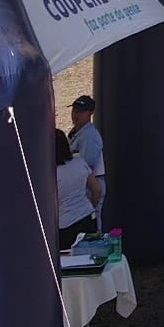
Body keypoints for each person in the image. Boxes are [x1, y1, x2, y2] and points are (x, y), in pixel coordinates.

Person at [56, 129, 101, 249]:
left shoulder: (50, 175)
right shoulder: (80, 163)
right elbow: (97, 189)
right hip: (87, 217)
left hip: (64, 224)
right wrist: (90, 207)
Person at [68, 95, 106, 228]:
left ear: (90, 113)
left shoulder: (90, 136)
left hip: (91, 185)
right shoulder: (76, 133)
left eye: (80, 112)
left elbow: (85, 165)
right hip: (82, 186)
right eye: (74, 111)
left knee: (91, 225)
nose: (75, 115)